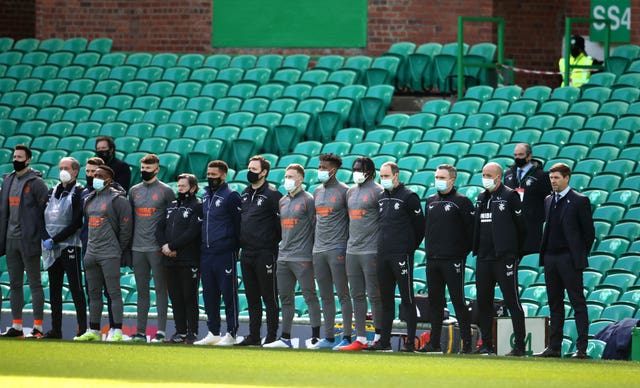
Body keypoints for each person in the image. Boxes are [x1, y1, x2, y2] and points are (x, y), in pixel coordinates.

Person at [534, 163, 595, 359]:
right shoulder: (547, 200)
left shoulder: (579, 200)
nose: (553, 182)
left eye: (557, 178)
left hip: (568, 258)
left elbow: (588, 234)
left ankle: (582, 348)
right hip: (550, 257)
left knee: (577, 302)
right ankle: (554, 347)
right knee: (554, 303)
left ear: (567, 178)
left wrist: (576, 254)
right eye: (551, 178)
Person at [366, 162, 424, 352]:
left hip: (401, 255)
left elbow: (420, 228)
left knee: (407, 299)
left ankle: (409, 343)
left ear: (396, 176)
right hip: (382, 254)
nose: (383, 179)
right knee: (386, 300)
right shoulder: (381, 197)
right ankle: (384, 341)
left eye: (386, 175)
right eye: (381, 176)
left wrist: (407, 248)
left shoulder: (409, 197)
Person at [417, 164, 474, 354]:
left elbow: (471, 232)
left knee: (458, 301)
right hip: (433, 259)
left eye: (442, 178)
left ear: (452, 180)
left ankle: (467, 344)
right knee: (435, 302)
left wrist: (459, 254)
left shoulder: (462, 202)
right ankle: (434, 343)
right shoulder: (430, 201)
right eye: (436, 177)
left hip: (453, 260)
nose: (438, 181)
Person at [264, 164, 321, 348]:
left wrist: (313, 253)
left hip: (303, 257)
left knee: (309, 297)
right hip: (283, 257)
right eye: (286, 176)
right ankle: (285, 338)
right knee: (285, 298)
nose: (287, 179)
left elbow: (316, 228)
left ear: (300, 179)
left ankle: (315, 338)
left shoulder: (308, 200)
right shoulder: (282, 201)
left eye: (291, 176)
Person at [472, 162, 527, 356]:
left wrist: (514, 253)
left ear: (499, 176)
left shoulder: (510, 196)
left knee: (512, 301)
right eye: (483, 173)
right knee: (483, 302)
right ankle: (487, 345)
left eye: (488, 174)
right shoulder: (481, 198)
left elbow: (522, 228)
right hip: (484, 258)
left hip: (504, 258)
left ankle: (520, 346)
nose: (485, 177)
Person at [75, 165, 132, 342]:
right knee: (93, 293)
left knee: (113, 292)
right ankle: (94, 330)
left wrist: (117, 247)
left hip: (109, 252)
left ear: (109, 179)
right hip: (91, 252)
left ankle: (117, 330)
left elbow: (126, 228)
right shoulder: (89, 199)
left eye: (99, 175)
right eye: (93, 174)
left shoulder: (118, 199)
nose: (95, 177)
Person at [0, 145, 48, 338]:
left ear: (28, 160)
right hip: (10, 239)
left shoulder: (36, 183)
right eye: (14, 156)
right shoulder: (8, 180)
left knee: (35, 283)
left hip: (29, 240)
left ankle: (38, 327)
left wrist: (40, 236)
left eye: (20, 157)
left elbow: (45, 211)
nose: (16, 159)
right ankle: (17, 326)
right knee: (14, 284)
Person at [235, 155, 282, 346]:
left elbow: (280, 227)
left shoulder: (272, 194)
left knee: (269, 296)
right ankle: (253, 335)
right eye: (249, 168)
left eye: (254, 169)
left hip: (265, 253)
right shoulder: (245, 194)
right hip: (246, 253)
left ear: (264, 172)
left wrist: (270, 243)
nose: (250, 172)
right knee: (252, 297)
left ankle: (271, 336)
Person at [194, 161, 242, 346]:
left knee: (229, 294)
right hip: (206, 253)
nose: (210, 177)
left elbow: (239, 225)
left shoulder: (231, 196)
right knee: (209, 294)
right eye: (208, 173)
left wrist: (234, 248)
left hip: (224, 252)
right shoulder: (205, 196)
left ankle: (232, 332)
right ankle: (213, 332)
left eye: (214, 174)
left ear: (223, 176)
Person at [128, 154, 175, 343]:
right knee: (141, 291)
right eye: (143, 168)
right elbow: (129, 219)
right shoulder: (133, 191)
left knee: (160, 290)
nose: (144, 171)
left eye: (148, 169)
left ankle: (161, 331)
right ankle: (140, 332)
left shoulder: (166, 191)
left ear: (157, 169)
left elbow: (173, 220)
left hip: (157, 248)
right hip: (137, 248)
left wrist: (167, 245)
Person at [339, 157, 383, 351]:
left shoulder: (379, 192)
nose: (356, 172)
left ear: (370, 172)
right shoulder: (349, 192)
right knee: (356, 294)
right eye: (355, 168)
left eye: (361, 169)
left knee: (374, 295)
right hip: (352, 250)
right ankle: (362, 338)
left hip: (371, 250)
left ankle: (380, 337)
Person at [309, 153, 353, 350]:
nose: (320, 170)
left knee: (343, 294)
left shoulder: (346, 191)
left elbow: (353, 221)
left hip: (338, 248)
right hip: (318, 249)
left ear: (333, 170)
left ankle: (347, 337)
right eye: (319, 167)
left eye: (323, 167)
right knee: (325, 296)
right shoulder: (317, 191)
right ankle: (328, 338)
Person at [40, 157, 87, 339]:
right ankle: (55, 329)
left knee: (76, 288)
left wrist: (56, 238)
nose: (63, 171)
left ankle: (82, 328)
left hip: (70, 246)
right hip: (50, 247)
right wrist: (45, 237)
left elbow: (76, 222)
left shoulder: (79, 193)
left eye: (66, 168)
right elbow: (39, 217)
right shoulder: (51, 191)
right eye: (60, 167)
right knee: (54, 289)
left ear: (75, 171)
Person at [156, 173, 203, 345]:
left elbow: (192, 232)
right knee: (175, 297)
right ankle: (180, 332)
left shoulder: (198, 206)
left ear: (193, 187)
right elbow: (159, 228)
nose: (180, 189)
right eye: (179, 186)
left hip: (189, 259)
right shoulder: (172, 205)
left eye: (183, 186)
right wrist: (164, 247)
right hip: (169, 259)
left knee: (189, 296)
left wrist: (172, 246)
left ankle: (192, 333)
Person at [503, 143, 552, 255]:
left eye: (521, 155)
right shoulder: (508, 175)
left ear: (529, 156)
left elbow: (548, 201)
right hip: (513, 230)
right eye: (515, 155)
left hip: (533, 229)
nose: (517, 158)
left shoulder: (541, 176)